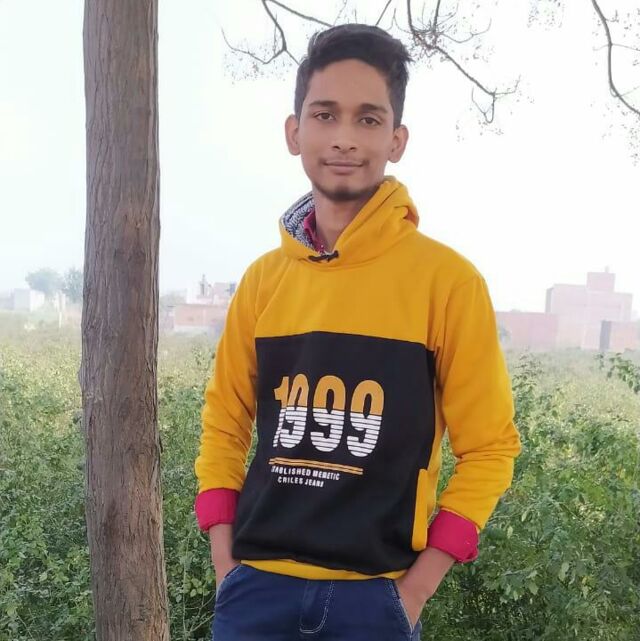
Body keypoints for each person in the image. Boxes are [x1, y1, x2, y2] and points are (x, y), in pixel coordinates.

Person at [193, 23, 521, 641]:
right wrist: (225, 563)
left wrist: (414, 592)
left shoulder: (447, 282)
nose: (344, 137)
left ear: (396, 140)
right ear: (295, 132)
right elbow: (225, 422)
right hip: (254, 593)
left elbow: (491, 447)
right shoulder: (263, 281)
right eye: (325, 115)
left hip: (377, 601)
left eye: (368, 119)